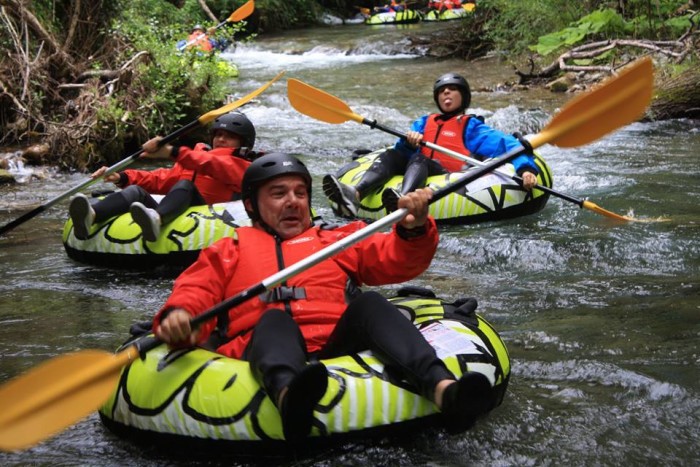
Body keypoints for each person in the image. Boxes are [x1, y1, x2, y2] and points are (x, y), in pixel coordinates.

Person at [152, 153, 494, 443]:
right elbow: (196, 291)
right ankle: (289, 398)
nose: (293, 201)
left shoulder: (337, 239)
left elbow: (397, 259)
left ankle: (443, 389)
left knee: (372, 304)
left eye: (301, 193)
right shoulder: (229, 249)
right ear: (252, 205)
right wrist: (180, 316)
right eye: (278, 193)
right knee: (274, 318)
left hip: (336, 345)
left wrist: (414, 227)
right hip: (261, 349)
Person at [323, 72, 539, 217]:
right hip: (417, 167)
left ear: (463, 97)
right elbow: (401, 153)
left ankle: (405, 200)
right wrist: (408, 143)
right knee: (392, 155)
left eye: (453, 89)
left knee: (419, 158)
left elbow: (509, 146)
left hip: (446, 173)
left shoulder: (471, 126)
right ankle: (355, 193)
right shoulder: (424, 122)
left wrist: (526, 168)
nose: (446, 92)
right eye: (442, 90)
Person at [69, 112, 257, 241]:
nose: (221, 139)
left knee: (186, 185)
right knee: (135, 191)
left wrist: (174, 151)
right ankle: (91, 215)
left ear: (243, 143)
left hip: (209, 218)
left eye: (230, 136)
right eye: (219, 134)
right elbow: (161, 178)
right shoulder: (197, 157)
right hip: (176, 211)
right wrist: (123, 177)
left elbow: (212, 165)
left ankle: (157, 219)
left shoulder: (243, 166)